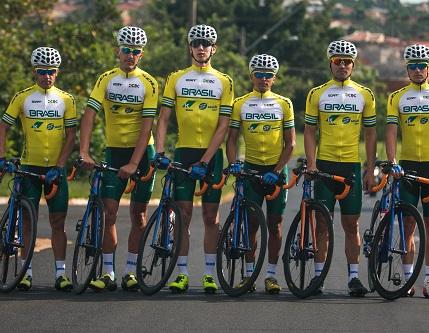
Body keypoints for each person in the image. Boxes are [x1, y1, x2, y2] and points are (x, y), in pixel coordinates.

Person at [155, 24, 234, 293]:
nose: (201, 48)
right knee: (183, 214)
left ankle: (210, 274)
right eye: (196, 43)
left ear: (214, 48)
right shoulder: (176, 78)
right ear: (190, 47)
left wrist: (205, 160)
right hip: (184, 151)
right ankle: (182, 273)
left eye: (206, 43)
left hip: (211, 157)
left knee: (211, 216)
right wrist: (160, 151)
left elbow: (223, 126)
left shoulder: (224, 81)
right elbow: (163, 119)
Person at [79, 26, 158, 292]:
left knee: (138, 213)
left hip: (142, 154)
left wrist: (135, 163)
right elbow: (89, 115)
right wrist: (84, 151)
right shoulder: (106, 79)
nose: (130, 55)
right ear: (118, 51)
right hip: (114, 151)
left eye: (136, 52)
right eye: (126, 50)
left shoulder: (149, 82)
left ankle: (131, 271)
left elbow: (148, 125)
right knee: (108, 213)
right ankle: (109, 272)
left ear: (141, 55)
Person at [0, 47, 77, 291]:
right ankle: (26, 272)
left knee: (57, 221)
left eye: (51, 72)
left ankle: (60, 274)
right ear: (35, 71)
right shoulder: (22, 97)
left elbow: (71, 135)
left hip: (55, 169)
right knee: (28, 221)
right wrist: (0, 157)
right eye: (42, 71)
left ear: (57, 72)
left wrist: (60, 165)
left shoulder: (66, 99)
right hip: (29, 166)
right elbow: (2, 127)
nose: (47, 76)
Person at [304, 40, 377, 296]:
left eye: (347, 61)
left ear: (353, 65)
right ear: (330, 63)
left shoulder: (365, 94)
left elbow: (370, 134)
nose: (343, 65)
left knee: (351, 225)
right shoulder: (317, 93)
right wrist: (311, 163)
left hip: (351, 167)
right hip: (324, 164)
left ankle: (354, 278)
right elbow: (310, 131)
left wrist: (370, 169)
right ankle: (318, 277)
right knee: (322, 224)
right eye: (338, 61)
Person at [385, 44, 429, 299]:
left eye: (421, 66)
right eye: (412, 66)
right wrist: (392, 161)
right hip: (406, 165)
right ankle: (408, 279)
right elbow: (391, 132)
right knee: (407, 224)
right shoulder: (397, 97)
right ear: (407, 69)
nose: (416, 70)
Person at [226, 54, 295, 294]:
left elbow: (290, 144)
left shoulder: (284, 103)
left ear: (274, 79)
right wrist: (234, 163)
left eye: (268, 75)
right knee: (251, 224)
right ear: (251, 76)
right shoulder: (240, 103)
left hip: (275, 172)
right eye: (259, 74)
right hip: (251, 169)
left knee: (275, 225)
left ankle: (271, 276)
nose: (263, 79)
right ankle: (248, 275)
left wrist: (277, 171)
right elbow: (232, 140)